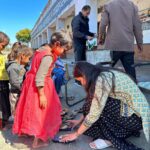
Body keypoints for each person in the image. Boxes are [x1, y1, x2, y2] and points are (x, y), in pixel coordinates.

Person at [61, 62, 150, 150]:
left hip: (135, 119)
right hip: (134, 115)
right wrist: (79, 121)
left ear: (84, 76)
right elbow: (91, 103)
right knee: (92, 104)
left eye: (80, 81)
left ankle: (111, 139)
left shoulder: (101, 81)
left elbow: (93, 114)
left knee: (97, 114)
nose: (82, 84)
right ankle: (118, 132)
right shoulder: (103, 73)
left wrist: (76, 134)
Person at [13, 32, 70, 148]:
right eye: (64, 49)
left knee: (31, 110)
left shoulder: (41, 49)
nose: (64, 52)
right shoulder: (48, 56)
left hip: (31, 83)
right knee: (42, 113)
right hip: (41, 85)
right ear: (57, 44)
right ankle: (37, 141)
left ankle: (28, 132)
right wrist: (42, 95)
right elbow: (40, 77)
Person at [98, 0, 143, 80]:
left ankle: (104, 90)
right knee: (131, 74)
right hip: (128, 46)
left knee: (104, 71)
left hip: (112, 46)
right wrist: (140, 43)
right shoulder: (133, 6)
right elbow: (137, 26)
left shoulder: (108, 5)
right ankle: (133, 90)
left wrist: (101, 38)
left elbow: (103, 24)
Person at [6, 46, 33, 120]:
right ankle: (17, 126)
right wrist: (23, 89)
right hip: (15, 93)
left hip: (20, 91)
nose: (29, 61)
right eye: (28, 58)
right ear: (22, 56)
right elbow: (14, 82)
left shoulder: (19, 66)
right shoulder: (13, 67)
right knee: (16, 111)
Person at [0, 31, 11, 129]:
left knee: (5, 101)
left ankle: (5, 120)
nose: (3, 48)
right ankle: (3, 123)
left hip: (4, 80)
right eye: (3, 45)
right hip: (0, 82)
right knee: (2, 103)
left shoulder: (1, 54)